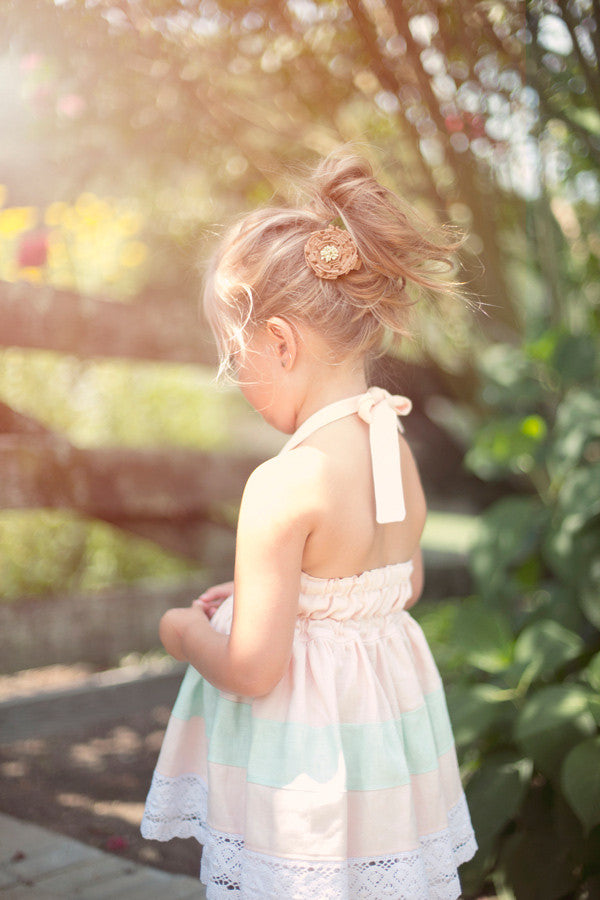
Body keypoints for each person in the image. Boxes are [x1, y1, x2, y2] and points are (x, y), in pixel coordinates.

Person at [141, 149, 478, 899]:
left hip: (311, 775)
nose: (239, 384)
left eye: (237, 359)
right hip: (384, 769)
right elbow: (398, 584)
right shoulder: (394, 445)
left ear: (281, 343)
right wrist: (278, 590)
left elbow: (255, 672)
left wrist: (182, 632)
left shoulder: (283, 484)